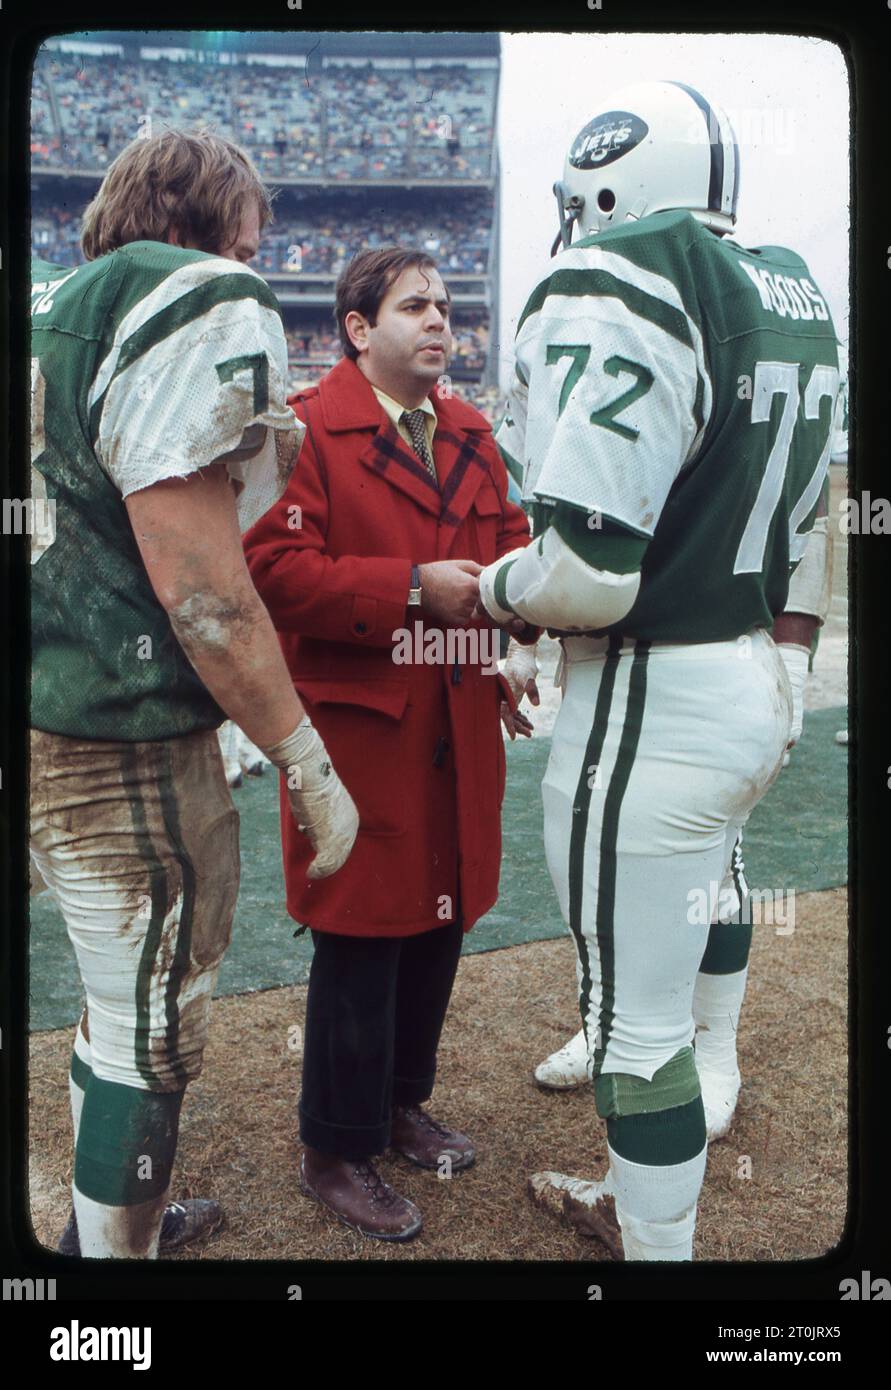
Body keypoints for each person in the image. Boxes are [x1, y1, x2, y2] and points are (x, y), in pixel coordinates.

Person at [475, 81, 840, 1259]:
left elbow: (586, 576)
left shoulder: (626, 271)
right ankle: (715, 1071)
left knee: (635, 1031)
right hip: (752, 669)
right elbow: (816, 511)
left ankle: (653, 1243)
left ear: (610, 182)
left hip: (646, 688)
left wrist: (478, 590)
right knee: (711, 883)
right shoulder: (788, 285)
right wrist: (793, 652)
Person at [30, 129, 358, 1259]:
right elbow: (208, 597)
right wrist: (305, 756)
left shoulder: (49, 302)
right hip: (114, 738)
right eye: (251, 244)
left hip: (38, 697)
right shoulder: (192, 297)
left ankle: (96, 1233)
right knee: (146, 1035)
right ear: (205, 227)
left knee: (106, 1002)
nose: (258, 266)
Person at [243, 246, 536, 1241]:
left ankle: (403, 1105)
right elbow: (276, 571)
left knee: (438, 923)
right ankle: (333, 1148)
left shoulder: (470, 428)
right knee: (362, 941)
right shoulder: (309, 428)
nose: (441, 320)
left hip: (457, 720)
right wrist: (415, 586)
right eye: (416, 305)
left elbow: (507, 551)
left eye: (447, 306)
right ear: (359, 328)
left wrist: (519, 626)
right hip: (361, 732)